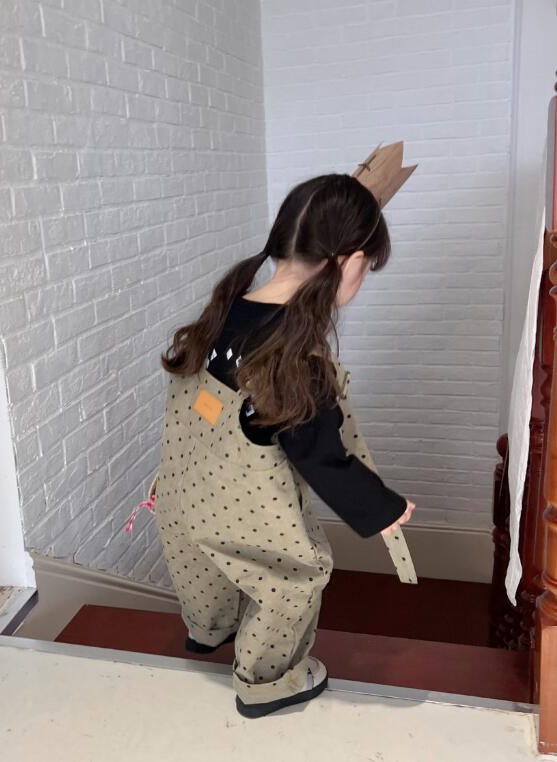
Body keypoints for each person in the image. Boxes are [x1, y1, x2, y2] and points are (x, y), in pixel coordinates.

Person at [153, 172, 415, 719]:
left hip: (181, 493)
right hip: (240, 507)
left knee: (206, 565)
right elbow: (320, 455)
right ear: (350, 261)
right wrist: (384, 508)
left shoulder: (228, 307)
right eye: (367, 267)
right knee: (293, 575)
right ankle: (266, 683)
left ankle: (208, 633)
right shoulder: (295, 356)